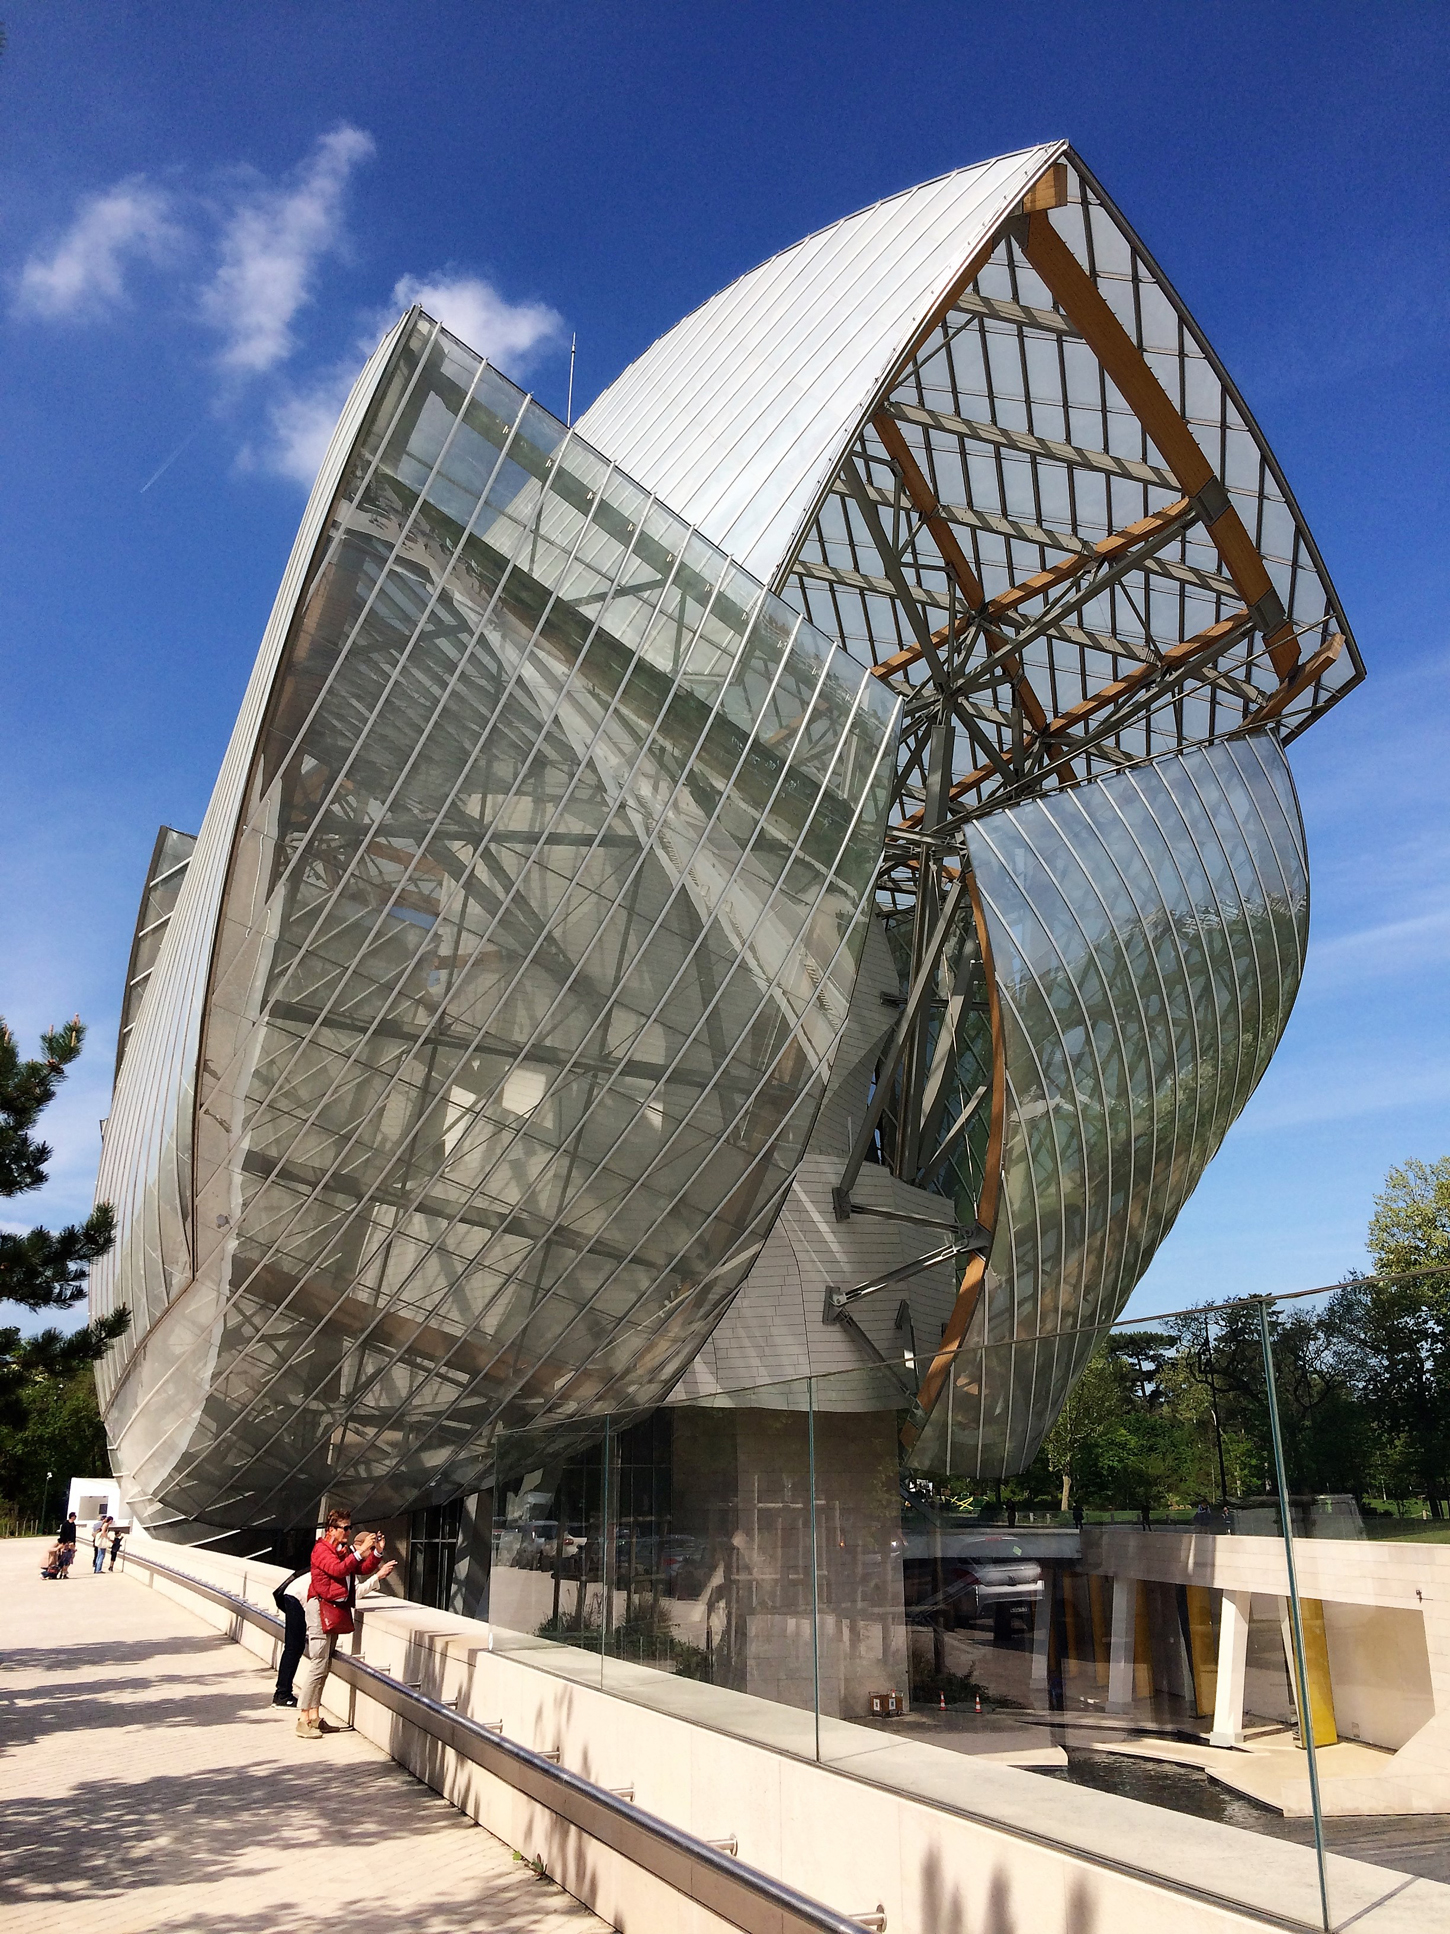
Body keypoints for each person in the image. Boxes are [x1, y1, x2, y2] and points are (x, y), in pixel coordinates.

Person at [294, 1511, 394, 1740]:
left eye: (350, 1528)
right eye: (345, 1528)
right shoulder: (321, 1550)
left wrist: (377, 1551)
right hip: (320, 1609)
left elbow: (360, 1568)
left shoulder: (343, 1550)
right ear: (332, 1529)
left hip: (335, 1611)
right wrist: (359, 1551)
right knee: (318, 1664)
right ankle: (302, 1719)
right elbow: (339, 1570)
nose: (348, 1532)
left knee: (325, 1665)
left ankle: (315, 1717)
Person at [56, 1512, 78, 1579]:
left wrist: (73, 1543)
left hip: (71, 1543)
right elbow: (62, 1534)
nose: (75, 1517)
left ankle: (65, 1572)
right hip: (65, 1542)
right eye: (74, 1516)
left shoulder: (73, 1524)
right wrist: (63, 1542)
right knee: (63, 1558)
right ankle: (60, 1572)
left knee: (70, 1558)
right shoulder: (65, 1524)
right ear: (71, 1517)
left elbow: (74, 1535)